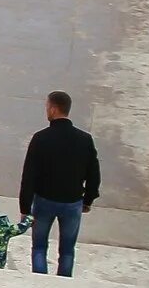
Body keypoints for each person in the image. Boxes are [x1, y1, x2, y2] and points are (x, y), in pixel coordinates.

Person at [20, 91, 101, 277]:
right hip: (72, 202)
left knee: (39, 246)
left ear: (54, 109)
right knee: (67, 250)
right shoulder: (84, 139)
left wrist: (25, 207)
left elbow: (29, 176)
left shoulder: (40, 138)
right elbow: (94, 174)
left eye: (47, 107)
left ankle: (40, 280)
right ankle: (63, 282)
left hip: (44, 201)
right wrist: (88, 200)